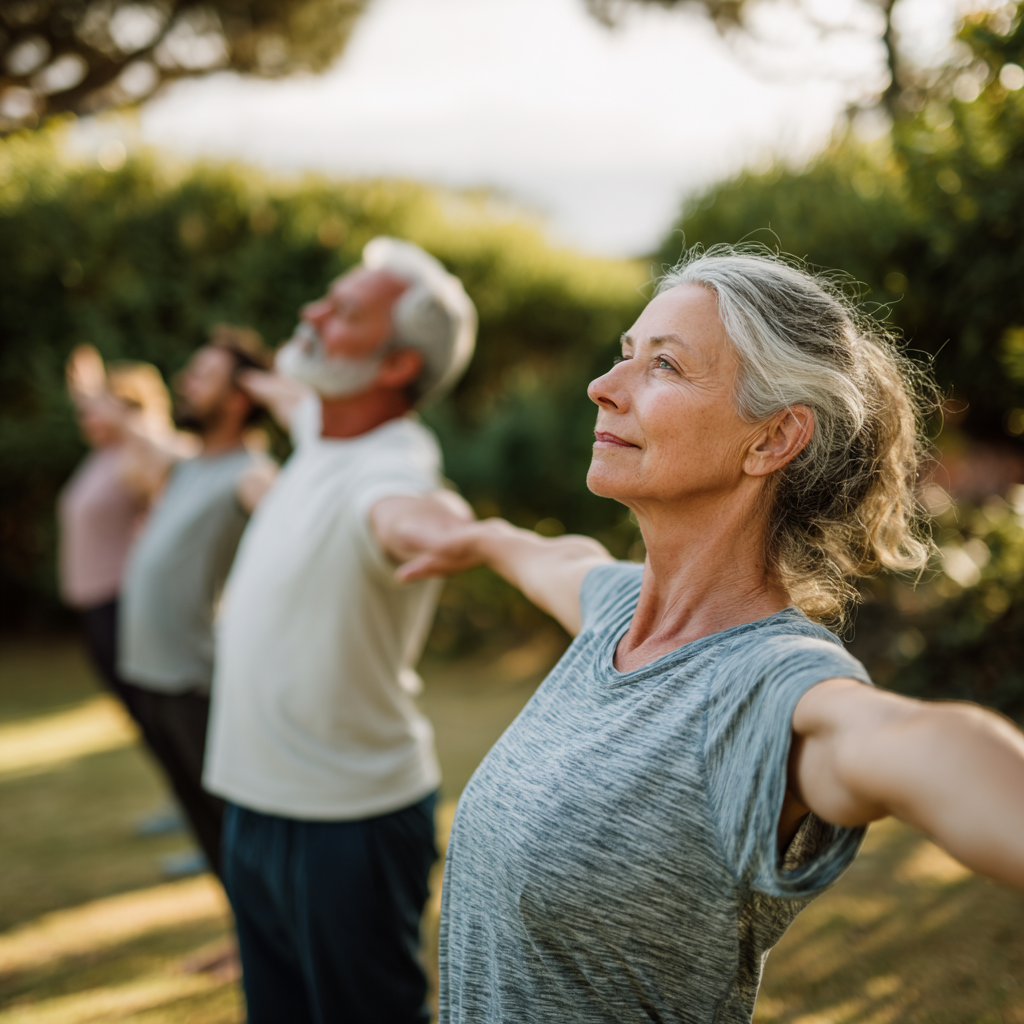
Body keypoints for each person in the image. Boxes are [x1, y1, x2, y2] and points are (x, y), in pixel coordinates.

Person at [393, 245, 1024, 1024]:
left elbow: (909, 741)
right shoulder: (619, 615)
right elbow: (553, 557)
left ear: (772, 439)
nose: (603, 386)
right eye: (625, 354)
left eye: (663, 366)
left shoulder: (761, 684)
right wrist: (477, 537)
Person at [202, 237, 477, 1024]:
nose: (311, 314)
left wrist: (450, 529)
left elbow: (410, 512)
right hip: (253, 801)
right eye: (328, 296)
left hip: (345, 825)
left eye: (344, 311)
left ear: (395, 367)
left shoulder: (389, 468)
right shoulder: (324, 430)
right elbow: (291, 394)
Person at [118, 325, 278, 879]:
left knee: (231, 823)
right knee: (200, 821)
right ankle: (240, 933)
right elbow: (133, 432)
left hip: (195, 680)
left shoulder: (249, 472)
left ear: (239, 399)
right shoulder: (189, 464)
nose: (186, 381)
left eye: (203, 375)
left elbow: (286, 512)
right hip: (149, 671)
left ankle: (263, 946)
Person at [60, 347, 186, 706]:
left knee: (152, 708)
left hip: (123, 598)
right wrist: (90, 387)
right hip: (93, 601)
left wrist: (130, 419)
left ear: (128, 412)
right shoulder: (102, 456)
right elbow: (92, 408)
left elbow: (178, 456)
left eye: (100, 410)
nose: (88, 419)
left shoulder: (135, 457)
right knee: (135, 708)